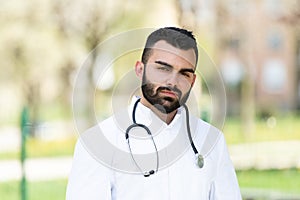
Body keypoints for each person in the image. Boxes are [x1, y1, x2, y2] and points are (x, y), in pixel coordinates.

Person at [66, 27, 242, 199]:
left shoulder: (212, 141)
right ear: (140, 69)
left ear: (193, 81)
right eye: (163, 68)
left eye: (184, 73)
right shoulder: (98, 143)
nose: (173, 81)